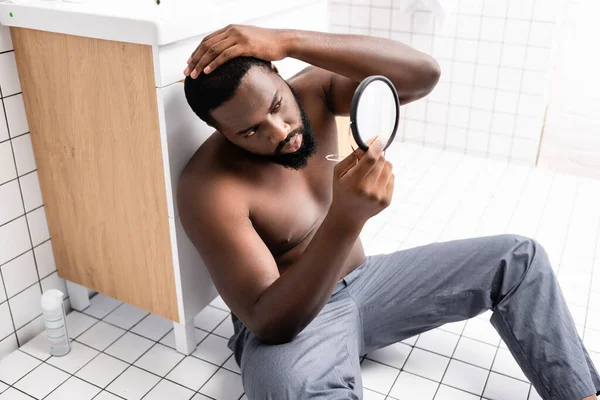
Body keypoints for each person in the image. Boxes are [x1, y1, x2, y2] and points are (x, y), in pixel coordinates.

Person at [178, 25, 600, 400]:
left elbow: (422, 75)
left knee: (519, 259)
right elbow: (269, 322)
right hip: (297, 325)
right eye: (250, 131)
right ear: (221, 132)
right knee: (290, 389)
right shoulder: (208, 187)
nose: (280, 131)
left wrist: (289, 40)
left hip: (369, 285)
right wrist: (346, 220)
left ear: (277, 73)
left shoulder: (314, 92)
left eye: (275, 106)